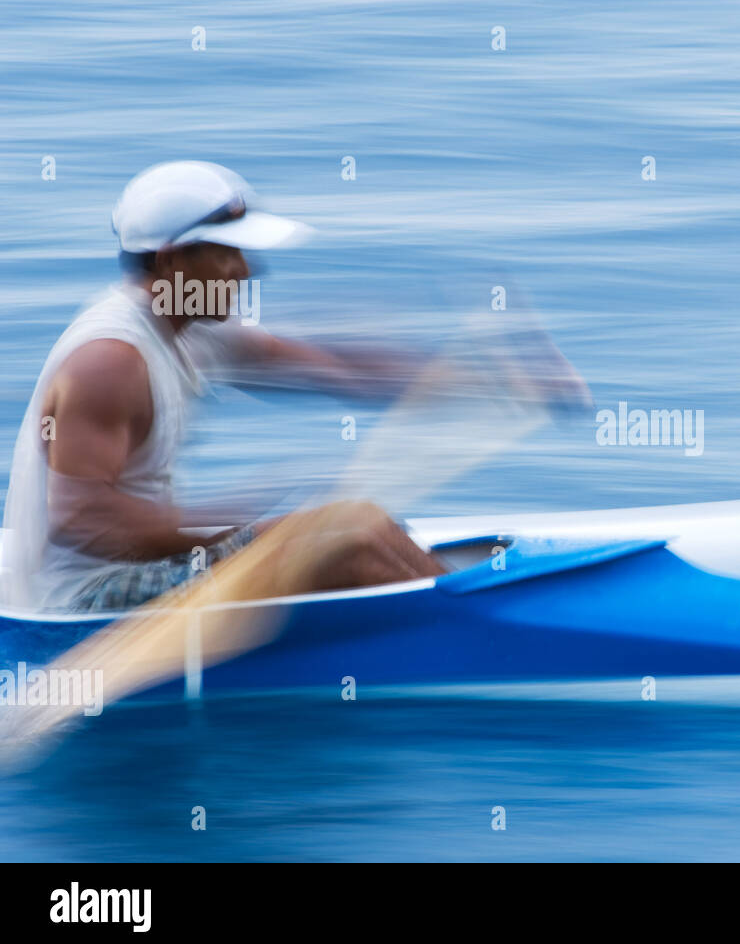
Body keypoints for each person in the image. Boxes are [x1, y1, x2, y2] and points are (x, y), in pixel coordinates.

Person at [0, 161, 580, 613]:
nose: (248, 272)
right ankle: (482, 632)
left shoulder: (190, 323)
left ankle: (458, 608)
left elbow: (334, 365)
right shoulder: (110, 362)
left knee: (364, 520)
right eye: (231, 254)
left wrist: (497, 384)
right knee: (344, 538)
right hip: (85, 598)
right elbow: (87, 525)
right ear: (175, 260)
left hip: (138, 566)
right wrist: (243, 520)